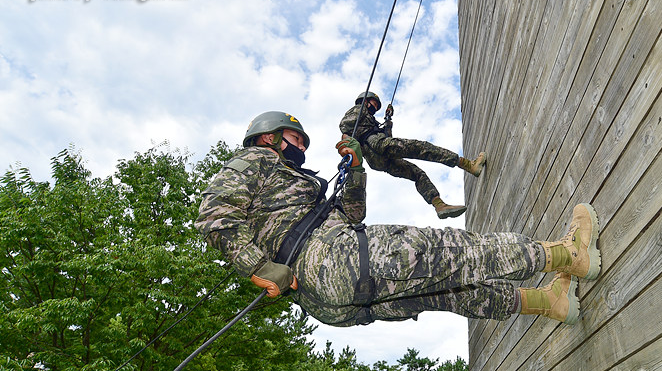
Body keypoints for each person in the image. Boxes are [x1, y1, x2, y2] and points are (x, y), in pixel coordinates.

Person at [196, 111, 601, 327]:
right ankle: (570, 256)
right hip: (332, 262)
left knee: (450, 291)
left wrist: (354, 169)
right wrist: (260, 267)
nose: (300, 145)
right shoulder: (257, 159)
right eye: (294, 137)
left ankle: (549, 302)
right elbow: (215, 215)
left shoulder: (287, 190)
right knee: (455, 252)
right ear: (269, 137)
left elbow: (352, 214)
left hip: (329, 298)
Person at [339, 91, 486, 219]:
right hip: (377, 146)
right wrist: (347, 144)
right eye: (374, 103)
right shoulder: (358, 110)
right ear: (365, 101)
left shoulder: (370, 121)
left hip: (377, 159)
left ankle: (439, 205)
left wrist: (387, 121)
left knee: (417, 173)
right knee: (422, 148)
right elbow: (345, 125)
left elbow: (387, 137)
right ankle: (469, 165)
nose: (375, 107)